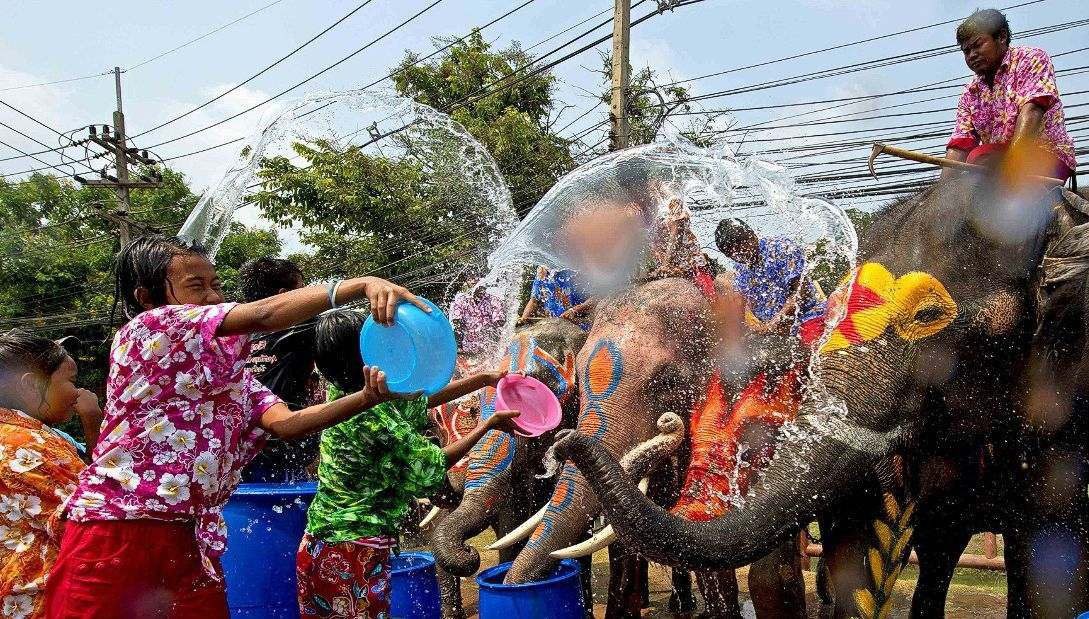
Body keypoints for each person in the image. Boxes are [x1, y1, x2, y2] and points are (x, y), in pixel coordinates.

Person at [46, 235, 433, 619]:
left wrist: (367, 398)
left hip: (189, 537)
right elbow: (263, 314)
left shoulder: (232, 381)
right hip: (120, 529)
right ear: (147, 297)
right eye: (196, 287)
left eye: (216, 285)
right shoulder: (149, 328)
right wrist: (360, 286)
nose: (214, 297)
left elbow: (289, 424)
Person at [298, 309, 519, 618]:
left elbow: (419, 398)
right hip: (353, 551)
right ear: (364, 355)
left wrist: (483, 380)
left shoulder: (345, 392)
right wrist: (488, 425)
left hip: (321, 543)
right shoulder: (373, 419)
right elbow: (431, 467)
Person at [0, 330, 101, 618]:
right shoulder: (32, 447)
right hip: (42, 603)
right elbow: (94, 523)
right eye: (70, 380)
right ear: (31, 385)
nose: (79, 392)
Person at [943, 8, 1076, 182]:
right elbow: (960, 144)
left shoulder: (1031, 59)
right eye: (966, 51)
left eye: (977, 45)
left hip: (1046, 156)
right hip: (996, 161)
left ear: (1002, 37)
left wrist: (1012, 166)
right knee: (971, 170)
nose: (972, 55)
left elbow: (1032, 110)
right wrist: (941, 193)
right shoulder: (970, 93)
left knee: (981, 157)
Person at [239, 257, 322, 483]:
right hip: (286, 444)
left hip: (237, 449)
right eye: (301, 292)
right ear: (286, 296)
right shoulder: (303, 327)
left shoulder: (234, 334)